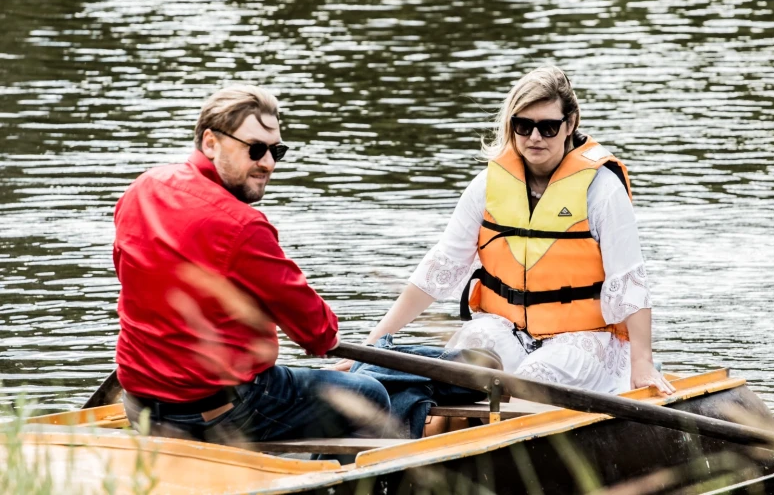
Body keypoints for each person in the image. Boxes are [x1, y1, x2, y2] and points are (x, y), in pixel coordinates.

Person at [338, 66, 673, 396]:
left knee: (529, 381)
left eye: (548, 127)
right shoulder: (487, 186)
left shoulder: (602, 190)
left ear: (570, 124)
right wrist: (369, 348)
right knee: (464, 363)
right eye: (523, 126)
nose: (534, 138)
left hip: (586, 337)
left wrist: (642, 362)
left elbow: (630, 282)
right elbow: (437, 270)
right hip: (506, 328)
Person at [113, 84, 390, 444]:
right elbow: (319, 333)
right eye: (255, 149)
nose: (268, 163)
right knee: (368, 394)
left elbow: (130, 275)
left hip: (138, 405)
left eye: (277, 150)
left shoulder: (142, 188)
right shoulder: (242, 226)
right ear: (210, 142)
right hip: (219, 413)